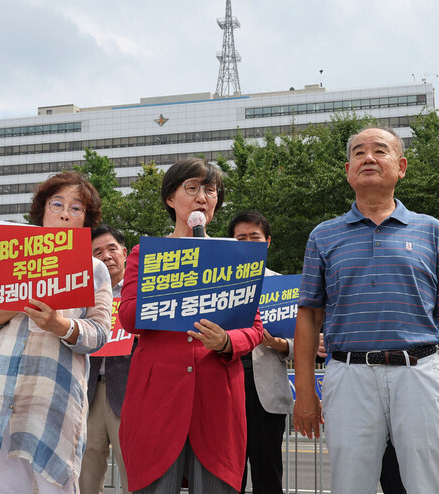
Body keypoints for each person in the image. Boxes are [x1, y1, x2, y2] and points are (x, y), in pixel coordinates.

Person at [291, 127, 439, 493]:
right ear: (348, 170)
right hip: (348, 375)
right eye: (358, 152)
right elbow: (309, 316)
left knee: (428, 482)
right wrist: (304, 390)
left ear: (401, 167)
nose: (368, 158)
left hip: (419, 373)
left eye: (379, 151)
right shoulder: (323, 236)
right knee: (350, 483)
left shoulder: (432, 231)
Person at [119, 158, 264, 494]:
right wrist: (173, 283)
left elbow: (253, 328)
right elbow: (127, 316)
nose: (202, 197)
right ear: (171, 198)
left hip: (216, 401)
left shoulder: (236, 255)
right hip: (159, 399)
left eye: (210, 190)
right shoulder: (146, 255)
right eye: (192, 188)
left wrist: (226, 341)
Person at [0, 171, 111, 494]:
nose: (64, 213)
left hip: (54, 399)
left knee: (55, 487)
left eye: (76, 208)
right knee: (8, 487)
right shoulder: (13, 255)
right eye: (56, 204)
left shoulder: (94, 268)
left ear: (85, 220)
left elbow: (100, 332)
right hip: (3, 393)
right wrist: (13, 303)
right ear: (42, 211)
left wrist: (59, 325)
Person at [227, 211, 292, 494]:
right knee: (229, 476)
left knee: (268, 476)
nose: (248, 242)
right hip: (226, 386)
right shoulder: (219, 283)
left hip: (266, 390)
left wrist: (278, 343)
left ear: (267, 242)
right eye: (241, 237)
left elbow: (300, 342)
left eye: (255, 237)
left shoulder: (284, 285)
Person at [79, 225, 131, 493]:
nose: (106, 256)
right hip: (89, 389)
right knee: (87, 470)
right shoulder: (82, 294)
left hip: (128, 390)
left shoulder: (141, 290)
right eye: (97, 252)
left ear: (124, 253)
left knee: (131, 468)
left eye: (112, 249)